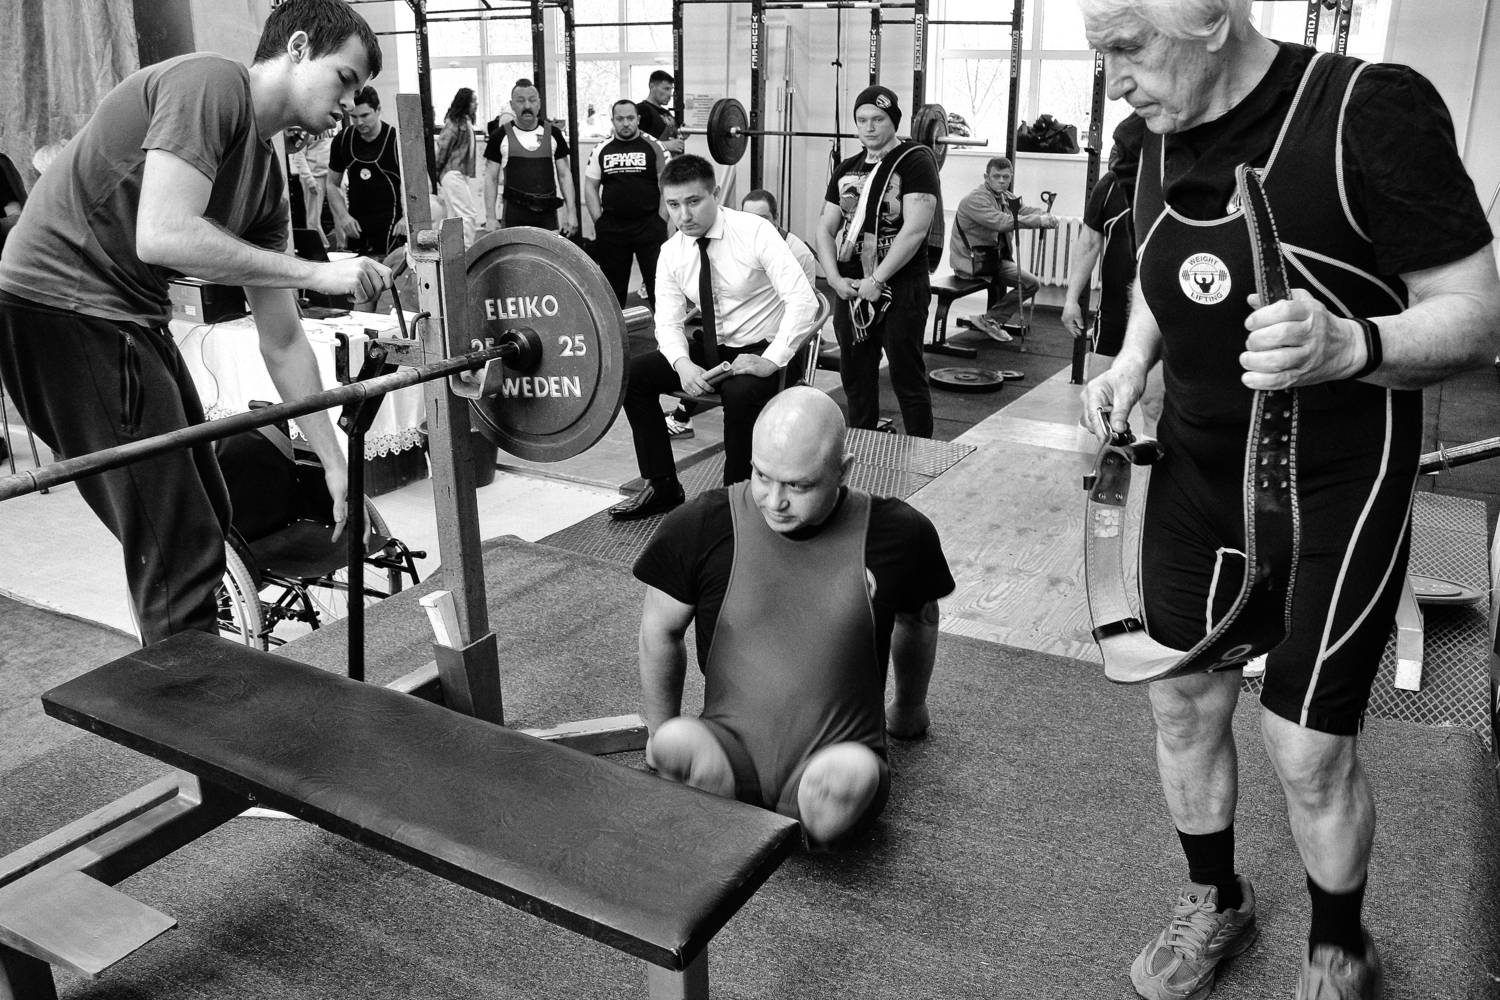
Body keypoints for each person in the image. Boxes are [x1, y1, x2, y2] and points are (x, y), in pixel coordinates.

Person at [1076, 1, 1500, 998]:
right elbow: (1161, 271)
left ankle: (1339, 945)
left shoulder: (1368, 111)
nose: (1114, 80)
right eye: (1100, 53)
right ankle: (1215, 898)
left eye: (1128, 47)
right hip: (1197, 477)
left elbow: (1479, 317)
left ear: (1211, 19)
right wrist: (1132, 360)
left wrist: (1353, 343)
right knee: (1181, 702)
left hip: (1336, 491)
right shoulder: (1152, 130)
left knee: (1306, 749)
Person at [0, 0, 389, 646]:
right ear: (297, 49)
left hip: (127, 315)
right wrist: (318, 275)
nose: (350, 104)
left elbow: (283, 339)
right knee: (175, 544)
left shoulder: (265, 182)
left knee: (212, 512)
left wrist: (333, 461)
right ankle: (190, 695)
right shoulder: (211, 83)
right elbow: (163, 233)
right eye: (345, 79)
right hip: (60, 307)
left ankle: (200, 673)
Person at [634, 386, 954, 846]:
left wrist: (908, 708)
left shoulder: (899, 533)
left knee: (850, 772)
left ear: (843, 470)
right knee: (678, 740)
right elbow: (659, 629)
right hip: (728, 744)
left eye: (799, 485)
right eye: (762, 475)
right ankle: (722, 782)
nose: (774, 500)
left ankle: (811, 812)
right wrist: (657, 730)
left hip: (834, 756)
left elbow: (920, 620)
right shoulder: (703, 524)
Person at [609, 154, 818, 521]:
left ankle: (735, 501)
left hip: (763, 350)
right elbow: (668, 322)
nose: (683, 215)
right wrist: (682, 364)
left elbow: (803, 301)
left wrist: (770, 360)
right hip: (711, 349)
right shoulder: (671, 251)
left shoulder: (755, 231)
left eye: (693, 201)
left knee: (739, 395)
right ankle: (662, 486)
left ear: (716, 194)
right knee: (634, 377)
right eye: (674, 204)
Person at [814, 85, 940, 438]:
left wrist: (878, 279)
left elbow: (915, 230)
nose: (869, 127)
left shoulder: (915, 161)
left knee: (906, 375)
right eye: (862, 120)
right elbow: (825, 228)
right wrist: (834, 279)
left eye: (878, 119)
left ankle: (921, 451)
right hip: (852, 287)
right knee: (855, 377)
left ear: (893, 121)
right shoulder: (846, 169)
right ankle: (863, 448)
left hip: (901, 286)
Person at [666, 188, 819, 442]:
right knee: (699, 355)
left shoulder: (795, 250)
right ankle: (683, 417)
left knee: (737, 383)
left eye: (763, 218)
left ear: (776, 218)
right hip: (729, 340)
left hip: (771, 338)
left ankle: (686, 417)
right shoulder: (730, 242)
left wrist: (771, 356)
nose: (755, 223)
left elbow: (803, 306)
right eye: (748, 216)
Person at [1062, 114, 1146, 375]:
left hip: (1160, 314)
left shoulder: (1175, 186)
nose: (1117, 155)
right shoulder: (1109, 186)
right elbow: (1088, 244)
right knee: (1098, 393)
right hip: (1114, 311)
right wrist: (1071, 300)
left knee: (1152, 397)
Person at [948, 156, 1058, 343]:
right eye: (996, 176)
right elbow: (1002, 222)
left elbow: (1024, 210)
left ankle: (990, 319)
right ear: (986, 177)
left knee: (1031, 283)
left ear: (1011, 177)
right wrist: (1039, 221)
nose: (1001, 181)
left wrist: (1045, 215)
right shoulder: (975, 199)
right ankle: (991, 320)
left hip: (993, 261)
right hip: (972, 263)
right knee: (1030, 283)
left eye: (1005, 177)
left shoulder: (1007, 197)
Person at [584, 99, 669, 308]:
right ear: (613, 120)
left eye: (630, 118)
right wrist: (599, 221)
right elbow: (590, 186)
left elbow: (667, 187)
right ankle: (615, 329)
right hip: (613, 228)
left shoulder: (655, 146)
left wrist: (661, 221)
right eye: (620, 119)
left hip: (649, 225)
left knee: (660, 286)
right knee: (612, 290)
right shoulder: (601, 149)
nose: (625, 123)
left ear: (638, 119)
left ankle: (665, 328)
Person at [482, 79, 577, 237]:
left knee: (547, 253)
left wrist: (572, 213)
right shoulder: (499, 136)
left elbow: (565, 175)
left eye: (532, 100)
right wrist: (490, 217)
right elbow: (490, 178)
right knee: (515, 254)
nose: (527, 106)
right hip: (514, 216)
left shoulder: (554, 134)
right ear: (512, 105)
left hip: (547, 217)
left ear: (539, 104)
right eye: (520, 101)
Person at [327, 86, 403, 257]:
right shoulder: (343, 140)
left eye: (365, 115)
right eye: (354, 117)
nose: (359, 122)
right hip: (357, 225)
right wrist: (343, 216)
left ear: (378, 110)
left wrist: (408, 218)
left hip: (392, 226)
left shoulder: (396, 140)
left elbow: (421, 185)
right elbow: (331, 184)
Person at [435, 87, 483, 247]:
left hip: (456, 173)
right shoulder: (454, 123)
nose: (476, 104)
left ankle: (453, 250)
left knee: (454, 215)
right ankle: (467, 250)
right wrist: (436, 173)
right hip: (452, 173)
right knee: (468, 214)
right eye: (473, 101)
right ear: (465, 102)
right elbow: (443, 148)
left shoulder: (464, 122)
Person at [636, 70, 685, 157]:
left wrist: (682, 135)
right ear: (652, 86)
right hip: (654, 163)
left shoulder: (666, 113)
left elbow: (672, 138)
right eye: (666, 89)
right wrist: (665, 145)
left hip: (670, 162)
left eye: (671, 89)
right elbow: (635, 144)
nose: (670, 94)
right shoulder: (642, 109)